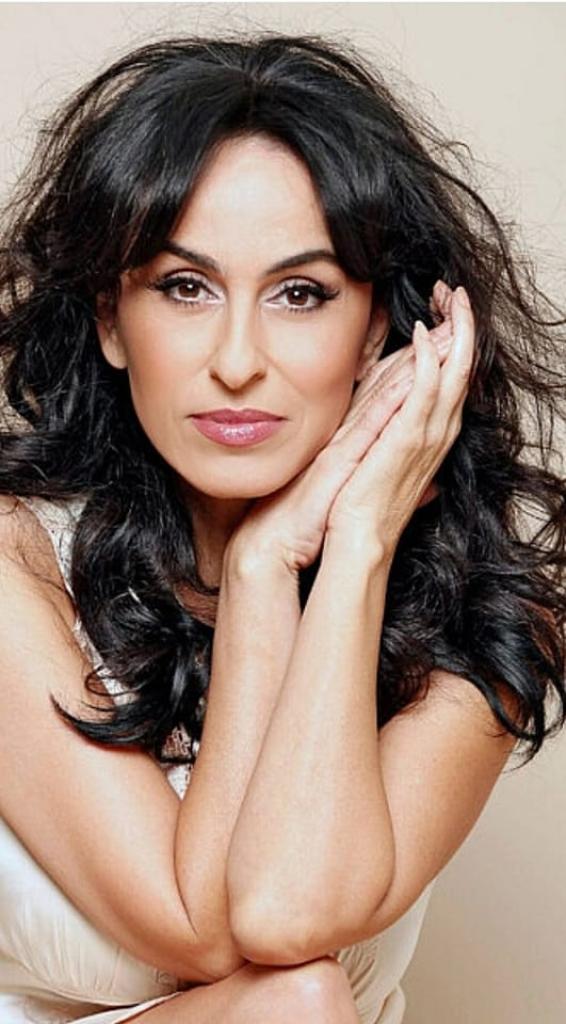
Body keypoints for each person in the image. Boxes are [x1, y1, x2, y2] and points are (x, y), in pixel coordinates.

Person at [0, 31, 564, 1024]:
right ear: (110, 319)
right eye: (185, 287)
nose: (236, 362)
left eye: (300, 294)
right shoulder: (14, 558)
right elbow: (198, 929)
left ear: (376, 333)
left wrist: (331, 553)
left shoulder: (483, 620)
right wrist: (268, 565)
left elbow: (282, 910)